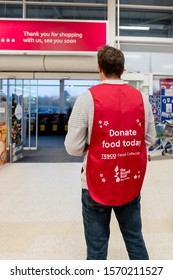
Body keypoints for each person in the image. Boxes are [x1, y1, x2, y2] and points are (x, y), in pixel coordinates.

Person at [64, 45, 156, 260]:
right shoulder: (141, 98)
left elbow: (72, 147)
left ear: (99, 68)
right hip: (129, 182)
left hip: (95, 182)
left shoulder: (87, 98)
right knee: (135, 240)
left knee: (96, 249)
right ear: (123, 69)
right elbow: (150, 139)